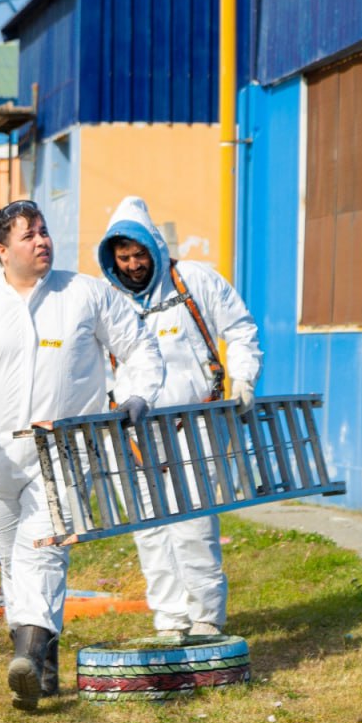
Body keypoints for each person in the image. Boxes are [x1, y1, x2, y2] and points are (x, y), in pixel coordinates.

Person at [0, 199, 163, 712]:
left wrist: (138, 394)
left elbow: (137, 345)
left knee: (44, 551)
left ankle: (26, 657)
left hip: (66, 452)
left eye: (45, 232)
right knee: (13, 560)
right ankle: (42, 665)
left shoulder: (85, 295)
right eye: (28, 235)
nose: (42, 241)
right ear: (2, 250)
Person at [97, 195, 262, 640]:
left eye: (139, 254)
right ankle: (170, 619)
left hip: (198, 424)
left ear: (154, 246)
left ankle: (206, 617)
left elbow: (240, 329)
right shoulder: (107, 301)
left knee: (193, 521)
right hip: (134, 432)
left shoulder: (194, 281)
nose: (133, 265)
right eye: (124, 257)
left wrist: (244, 379)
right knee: (149, 527)